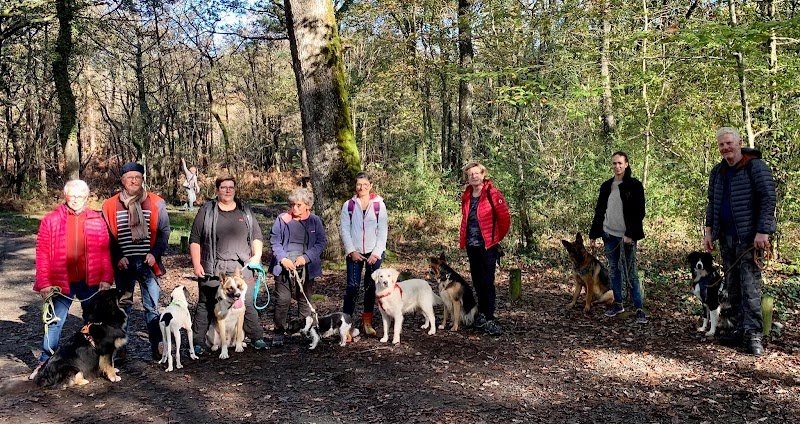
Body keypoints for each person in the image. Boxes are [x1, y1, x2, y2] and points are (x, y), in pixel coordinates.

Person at [29, 180, 114, 379]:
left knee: (94, 323)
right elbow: (42, 253)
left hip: (90, 281)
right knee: (54, 322)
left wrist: (106, 278)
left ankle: (97, 362)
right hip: (60, 282)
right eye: (72, 196)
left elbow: (105, 252)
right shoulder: (50, 220)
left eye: (80, 196)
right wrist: (44, 282)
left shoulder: (97, 220)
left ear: (87, 197)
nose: (76, 200)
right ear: (65, 196)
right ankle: (45, 362)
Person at [702, 127, 776, 356]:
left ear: (739, 142)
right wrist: (709, 232)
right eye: (721, 144)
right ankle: (738, 328)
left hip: (750, 239)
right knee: (732, 285)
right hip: (726, 238)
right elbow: (712, 203)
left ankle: (753, 334)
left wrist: (763, 231)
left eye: (729, 143)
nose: (725, 148)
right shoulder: (718, 172)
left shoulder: (755, 167)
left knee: (750, 287)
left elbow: (768, 198)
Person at [189, 175, 268, 353]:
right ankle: (198, 342)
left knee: (246, 303)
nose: (227, 190)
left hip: (242, 267)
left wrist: (257, 256)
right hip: (213, 266)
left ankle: (256, 338)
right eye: (223, 187)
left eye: (231, 187)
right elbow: (195, 239)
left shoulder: (245, 211)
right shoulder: (207, 210)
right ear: (217, 190)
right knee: (206, 303)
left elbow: (256, 236)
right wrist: (196, 263)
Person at [102, 162, 170, 360]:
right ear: (122, 181)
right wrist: (118, 257)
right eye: (129, 177)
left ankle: (157, 348)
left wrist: (155, 253)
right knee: (123, 306)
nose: (134, 181)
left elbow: (164, 231)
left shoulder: (156, 202)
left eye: (137, 177)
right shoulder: (109, 205)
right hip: (124, 265)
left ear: (142, 179)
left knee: (152, 307)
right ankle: (121, 349)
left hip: (149, 263)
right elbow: (107, 236)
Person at [589, 151, 647, 324]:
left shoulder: (634, 185)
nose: (617, 166)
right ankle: (618, 304)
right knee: (614, 271)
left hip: (627, 237)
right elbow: (600, 210)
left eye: (620, 163)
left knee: (631, 273)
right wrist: (594, 233)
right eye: (614, 163)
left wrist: (630, 234)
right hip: (609, 235)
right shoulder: (607, 186)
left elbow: (639, 212)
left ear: (626, 164)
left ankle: (639, 309)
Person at [269, 188, 327, 347]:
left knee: (305, 298)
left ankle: (306, 330)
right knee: (283, 299)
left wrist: (306, 258)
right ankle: (279, 331)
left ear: (308, 205)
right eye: (292, 204)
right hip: (283, 266)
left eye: (299, 205)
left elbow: (320, 242)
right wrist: (283, 259)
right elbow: (274, 241)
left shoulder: (315, 221)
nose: (294, 208)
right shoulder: (282, 219)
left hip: (307, 266)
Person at [459, 162, 511, 336]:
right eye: (470, 174)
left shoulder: (492, 193)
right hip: (472, 245)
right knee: (477, 280)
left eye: (476, 173)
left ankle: (489, 317)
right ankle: (481, 315)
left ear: (483, 175)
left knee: (487, 281)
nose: (473, 176)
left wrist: (495, 238)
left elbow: (504, 219)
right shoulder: (467, 194)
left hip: (488, 246)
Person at [339, 171, 388, 337]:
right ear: (355, 186)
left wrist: (376, 253)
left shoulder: (379, 205)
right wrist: (351, 251)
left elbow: (383, 230)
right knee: (352, 287)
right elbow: (345, 229)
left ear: (371, 185)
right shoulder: (349, 205)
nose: (362, 188)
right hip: (355, 252)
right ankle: (346, 324)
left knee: (370, 287)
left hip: (374, 252)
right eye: (359, 184)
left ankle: (367, 322)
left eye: (365, 184)